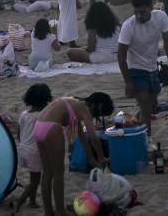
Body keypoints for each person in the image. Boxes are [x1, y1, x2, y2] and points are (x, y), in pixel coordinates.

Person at [34, 93, 113, 216]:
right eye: (98, 114)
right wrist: (102, 158)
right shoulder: (84, 108)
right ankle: (60, 212)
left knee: (47, 173)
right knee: (58, 174)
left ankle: (48, 212)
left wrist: (91, 159)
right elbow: (93, 138)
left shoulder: (73, 103)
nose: (94, 117)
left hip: (38, 126)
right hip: (52, 128)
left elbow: (81, 136)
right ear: (99, 106)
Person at [118, 0, 168, 133]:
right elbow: (121, 56)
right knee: (145, 105)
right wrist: (128, 81)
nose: (138, 16)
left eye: (142, 12)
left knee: (152, 106)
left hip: (152, 67)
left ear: (151, 8)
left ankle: (136, 121)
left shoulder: (160, 17)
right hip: (135, 69)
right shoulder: (128, 26)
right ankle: (146, 138)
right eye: (136, 12)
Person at [12, 84, 53, 212]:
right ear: (46, 99)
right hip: (34, 151)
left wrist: (24, 144)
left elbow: (19, 133)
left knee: (33, 177)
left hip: (23, 148)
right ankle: (19, 204)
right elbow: (44, 135)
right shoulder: (42, 115)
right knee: (35, 181)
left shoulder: (24, 114)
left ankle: (32, 201)